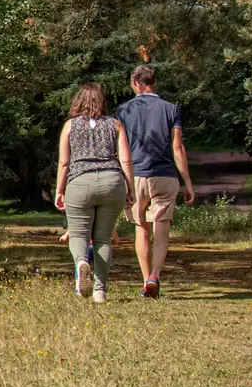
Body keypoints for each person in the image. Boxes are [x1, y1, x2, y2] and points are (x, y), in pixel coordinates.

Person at [115, 64, 196, 298]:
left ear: (135, 82)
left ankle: (144, 278)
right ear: (153, 82)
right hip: (165, 175)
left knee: (141, 227)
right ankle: (155, 276)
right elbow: (177, 146)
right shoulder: (171, 109)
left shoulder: (123, 111)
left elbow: (119, 149)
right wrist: (188, 183)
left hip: (136, 175)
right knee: (162, 227)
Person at [53, 82, 135, 304]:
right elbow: (126, 159)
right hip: (112, 182)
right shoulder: (115, 125)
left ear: (78, 100)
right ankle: (100, 291)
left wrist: (59, 191)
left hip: (80, 183)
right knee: (103, 239)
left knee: (79, 234)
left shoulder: (70, 126)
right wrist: (131, 189)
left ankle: (81, 262)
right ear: (102, 100)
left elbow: (63, 163)